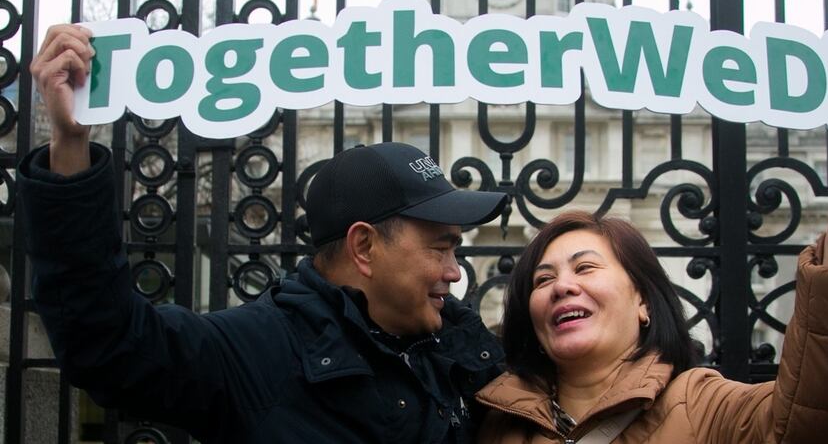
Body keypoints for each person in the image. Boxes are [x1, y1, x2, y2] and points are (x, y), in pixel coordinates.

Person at [21, 24, 510, 442]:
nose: (453, 272)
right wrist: (69, 144)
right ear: (364, 246)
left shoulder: (464, 353)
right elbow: (108, 345)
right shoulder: (255, 354)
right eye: (440, 249)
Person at [476, 123, 828, 443]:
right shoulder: (497, 421)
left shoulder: (703, 404)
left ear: (644, 302)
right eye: (543, 278)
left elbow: (816, 424)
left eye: (586, 267)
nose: (562, 286)